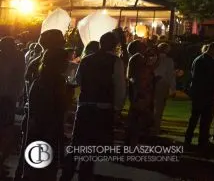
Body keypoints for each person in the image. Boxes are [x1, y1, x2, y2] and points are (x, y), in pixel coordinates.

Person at [65, 32, 126, 181]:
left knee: (77, 143)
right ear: (114, 45)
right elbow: (120, 86)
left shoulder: (86, 60)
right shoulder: (115, 62)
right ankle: (85, 175)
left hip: (85, 105)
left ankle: (67, 174)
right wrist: (118, 108)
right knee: (91, 146)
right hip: (102, 107)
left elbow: (78, 80)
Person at [24, 47, 72, 180]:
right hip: (49, 130)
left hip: (38, 130)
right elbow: (60, 107)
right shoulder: (58, 83)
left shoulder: (39, 81)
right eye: (65, 61)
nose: (67, 64)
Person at [184, 42, 214, 150]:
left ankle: (189, 138)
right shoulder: (208, 61)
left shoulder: (199, 59)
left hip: (198, 92)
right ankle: (202, 140)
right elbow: (211, 77)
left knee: (195, 117)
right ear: (212, 49)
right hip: (205, 93)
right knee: (205, 118)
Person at [0, 37, 25, 172]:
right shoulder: (17, 57)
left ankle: (2, 159)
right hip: (8, 98)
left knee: (6, 130)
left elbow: (19, 77)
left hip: (8, 98)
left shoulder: (17, 57)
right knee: (6, 130)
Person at [125, 40, 157, 146]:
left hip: (139, 92)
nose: (145, 46)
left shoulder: (137, 58)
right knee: (137, 118)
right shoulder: (137, 58)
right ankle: (132, 142)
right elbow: (139, 76)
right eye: (142, 45)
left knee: (137, 117)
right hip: (140, 93)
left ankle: (132, 141)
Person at [151, 42, 176, 136]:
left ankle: (150, 127)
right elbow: (170, 76)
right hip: (162, 85)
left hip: (152, 84)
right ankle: (156, 129)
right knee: (159, 108)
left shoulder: (153, 59)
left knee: (151, 107)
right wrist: (173, 89)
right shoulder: (169, 60)